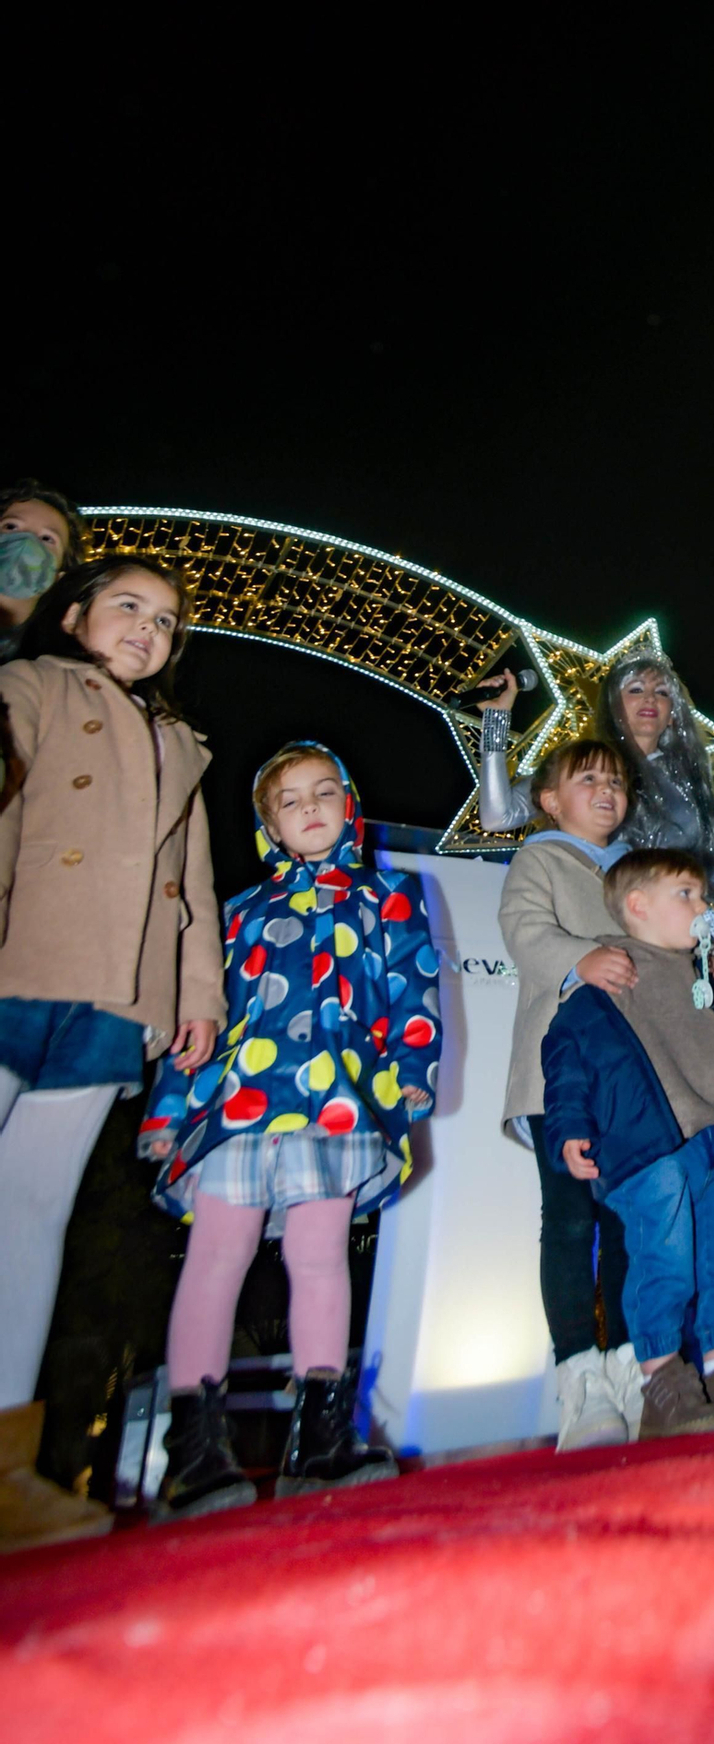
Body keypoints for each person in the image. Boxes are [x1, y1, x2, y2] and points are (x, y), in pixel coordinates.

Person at [140, 743, 440, 1517]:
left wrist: (413, 1069)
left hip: (340, 1101)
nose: (309, 808)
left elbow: (413, 988)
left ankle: (321, 1437)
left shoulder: (389, 895)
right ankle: (198, 1450)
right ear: (268, 823)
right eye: (289, 800)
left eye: (323, 793)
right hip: (238, 1106)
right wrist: (171, 1109)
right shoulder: (240, 912)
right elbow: (197, 1021)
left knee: (319, 1256)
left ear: (349, 804)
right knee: (215, 1257)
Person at [0, 555, 222, 1550]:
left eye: (166, 620)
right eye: (126, 605)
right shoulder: (27, 685)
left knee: (32, 1214)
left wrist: (197, 994)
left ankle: (9, 1460)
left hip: (110, 998)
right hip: (15, 967)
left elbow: (194, 886)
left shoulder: (182, 744)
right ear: (75, 610)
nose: (146, 627)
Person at [542, 845, 714, 1438]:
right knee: (664, 1260)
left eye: (701, 894)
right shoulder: (610, 976)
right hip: (649, 1151)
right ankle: (662, 1380)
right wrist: (569, 1128)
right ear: (638, 905)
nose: (701, 905)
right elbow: (566, 1056)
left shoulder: (703, 976)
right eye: (685, 894)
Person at [497, 736, 640, 1451]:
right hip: (557, 1074)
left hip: (630, 1077)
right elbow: (523, 930)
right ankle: (579, 1373)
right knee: (570, 1218)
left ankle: (631, 1367)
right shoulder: (539, 857)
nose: (607, 791)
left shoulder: (636, 870)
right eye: (588, 780)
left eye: (615, 781)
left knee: (623, 1225)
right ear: (550, 799)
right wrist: (577, 958)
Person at [479, 648, 714, 905]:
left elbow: (711, 867)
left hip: (677, 927)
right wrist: (495, 719)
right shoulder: (584, 769)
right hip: (602, 917)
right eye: (636, 689)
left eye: (662, 693)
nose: (649, 699)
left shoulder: (692, 781)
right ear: (613, 705)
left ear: (673, 714)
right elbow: (497, 816)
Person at [0, 482, 82, 664]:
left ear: (58, 577)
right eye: (11, 527)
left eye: (46, 538)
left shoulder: (53, 665)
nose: (25, 540)